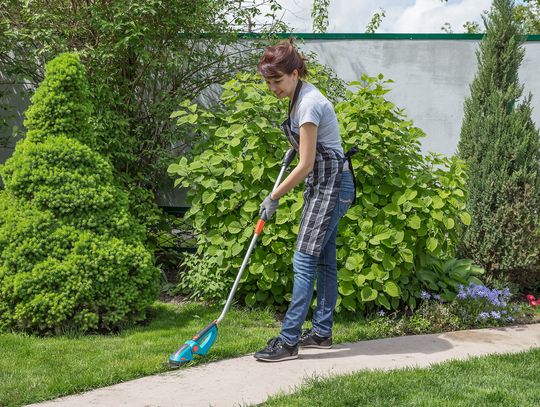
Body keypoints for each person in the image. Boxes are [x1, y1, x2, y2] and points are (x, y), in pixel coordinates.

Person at [254, 39, 356, 362]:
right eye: (268, 83)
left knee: (303, 259)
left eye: (277, 81)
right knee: (324, 259)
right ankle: (322, 333)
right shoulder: (298, 98)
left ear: (295, 74)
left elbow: (306, 164)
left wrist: (274, 196)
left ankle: (288, 340)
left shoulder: (309, 103)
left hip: (332, 186)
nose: (273, 88)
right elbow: (310, 150)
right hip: (326, 185)